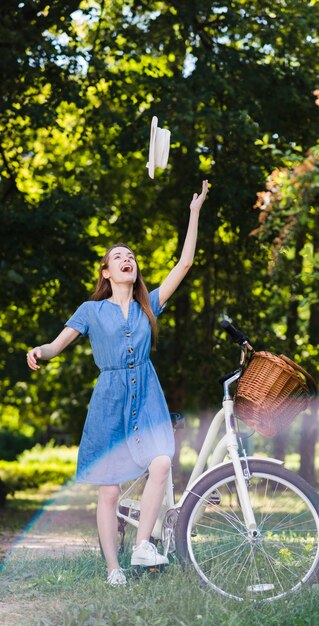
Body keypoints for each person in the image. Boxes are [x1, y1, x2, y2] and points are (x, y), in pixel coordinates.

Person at [26, 180, 209, 585]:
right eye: (118, 257)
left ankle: (143, 545)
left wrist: (194, 213)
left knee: (161, 462)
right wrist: (40, 351)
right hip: (109, 400)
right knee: (108, 491)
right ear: (107, 273)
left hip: (147, 396)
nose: (127, 259)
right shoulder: (91, 310)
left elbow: (184, 265)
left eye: (131, 256)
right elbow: (59, 345)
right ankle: (113, 568)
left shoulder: (150, 305)